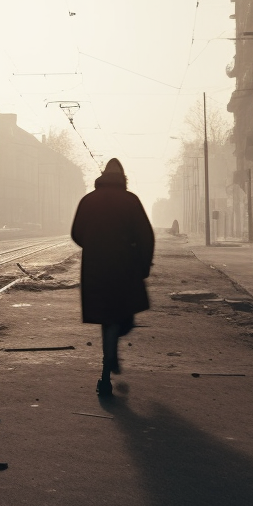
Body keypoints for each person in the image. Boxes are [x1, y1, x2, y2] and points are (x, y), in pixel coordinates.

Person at [70, 158, 155, 397]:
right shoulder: (131, 200)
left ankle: (107, 369)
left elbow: (76, 233)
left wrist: (94, 246)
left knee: (105, 317)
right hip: (124, 267)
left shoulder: (88, 200)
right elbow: (146, 235)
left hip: (95, 268)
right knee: (121, 316)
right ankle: (108, 365)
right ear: (123, 177)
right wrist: (143, 264)